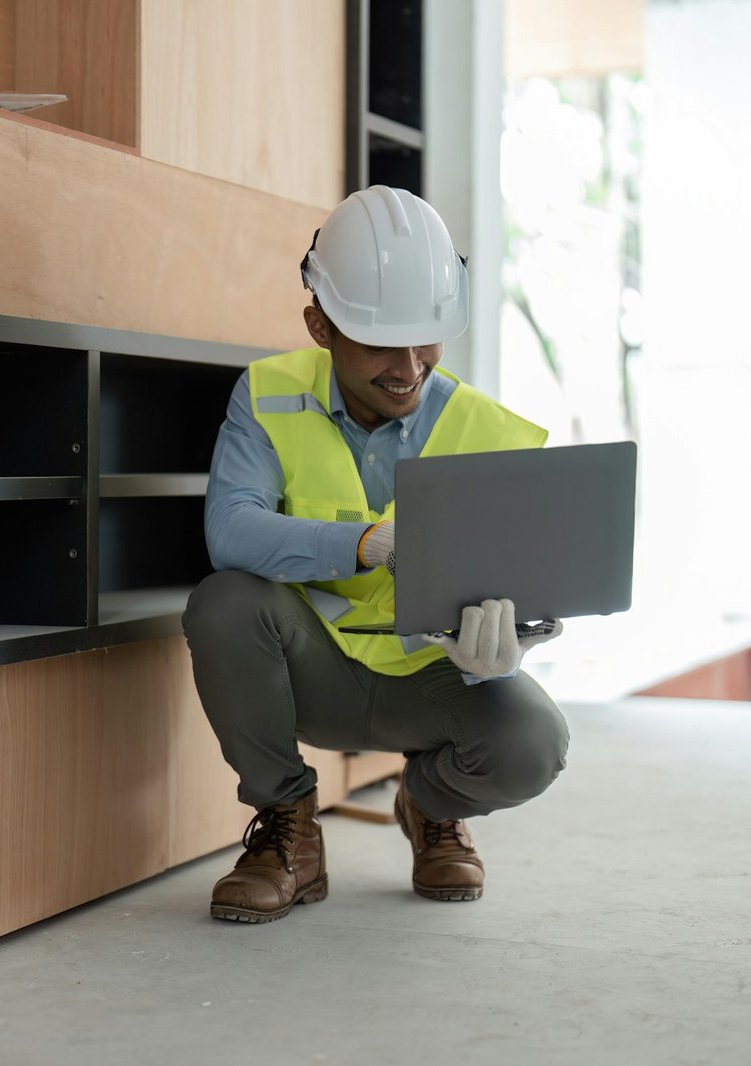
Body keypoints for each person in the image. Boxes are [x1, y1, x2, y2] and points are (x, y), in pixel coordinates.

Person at [182, 185, 569, 923]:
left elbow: (528, 578)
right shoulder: (266, 396)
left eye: (425, 338)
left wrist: (513, 644)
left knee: (534, 743)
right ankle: (287, 830)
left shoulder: (483, 428)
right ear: (319, 326)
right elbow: (230, 530)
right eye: (379, 342)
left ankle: (427, 806)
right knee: (224, 601)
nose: (408, 365)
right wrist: (361, 545)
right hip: (310, 671)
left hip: (432, 679)